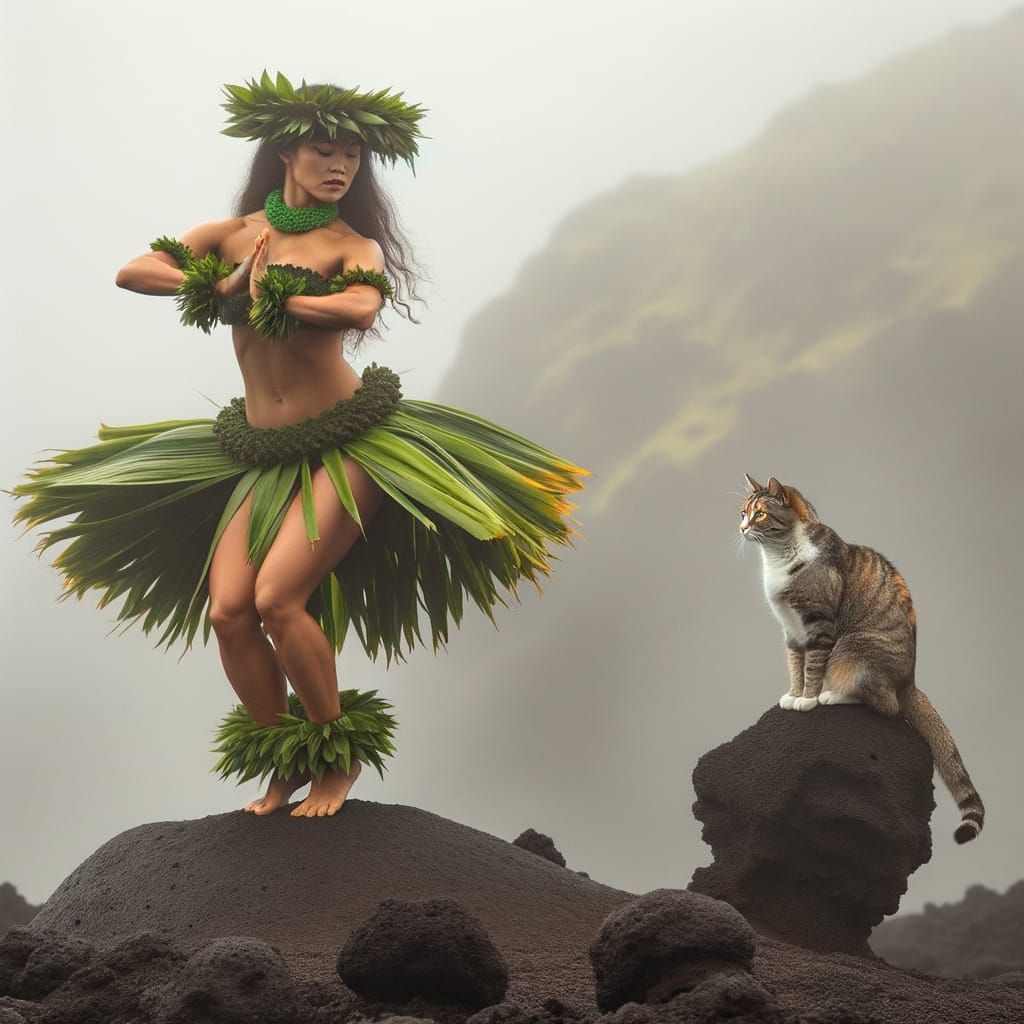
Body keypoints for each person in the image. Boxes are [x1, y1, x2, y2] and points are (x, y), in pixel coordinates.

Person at [11, 73, 586, 820]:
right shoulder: (233, 235)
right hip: (261, 452)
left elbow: (359, 302)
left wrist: (282, 297)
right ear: (286, 151)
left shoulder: (354, 245)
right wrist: (223, 285)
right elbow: (135, 270)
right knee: (228, 612)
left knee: (279, 598)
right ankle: (282, 762)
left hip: (352, 445)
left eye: (351, 154)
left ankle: (336, 763)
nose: (340, 164)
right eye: (324, 149)